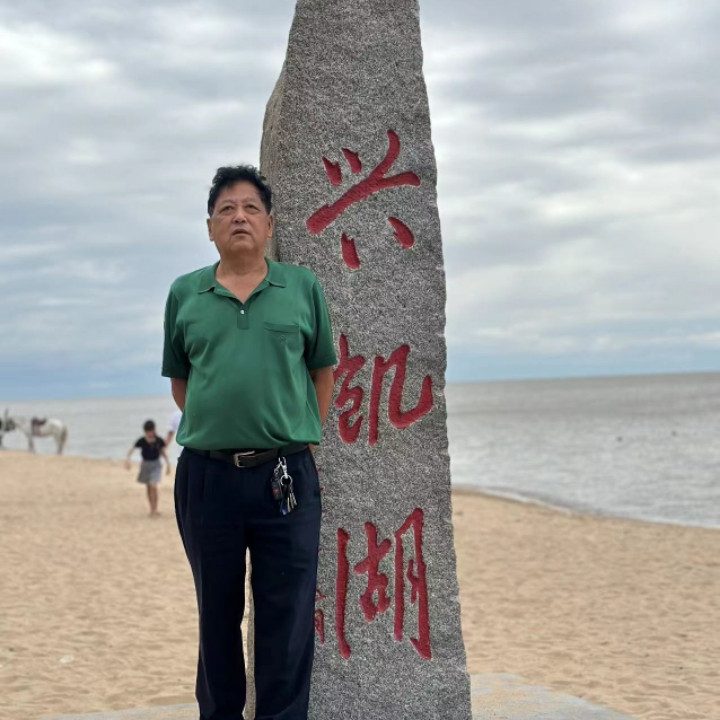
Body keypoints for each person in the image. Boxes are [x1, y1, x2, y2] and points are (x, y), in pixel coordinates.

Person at [162, 165, 336, 720]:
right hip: (206, 477)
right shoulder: (185, 293)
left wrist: (297, 438)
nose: (239, 216)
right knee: (216, 613)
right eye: (226, 209)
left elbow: (322, 372)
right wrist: (224, 431)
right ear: (210, 227)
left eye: (251, 208)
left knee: (287, 615)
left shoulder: (301, 288)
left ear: (269, 224)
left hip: (286, 477)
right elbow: (182, 382)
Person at [125, 419, 171, 517]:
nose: (150, 433)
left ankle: (155, 508)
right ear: (145, 431)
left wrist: (168, 465)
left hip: (156, 464)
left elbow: (163, 452)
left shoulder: (159, 440)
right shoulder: (142, 441)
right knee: (149, 487)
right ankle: (152, 509)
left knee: (154, 486)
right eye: (148, 431)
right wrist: (128, 461)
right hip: (145, 465)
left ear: (154, 430)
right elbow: (131, 451)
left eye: (151, 431)